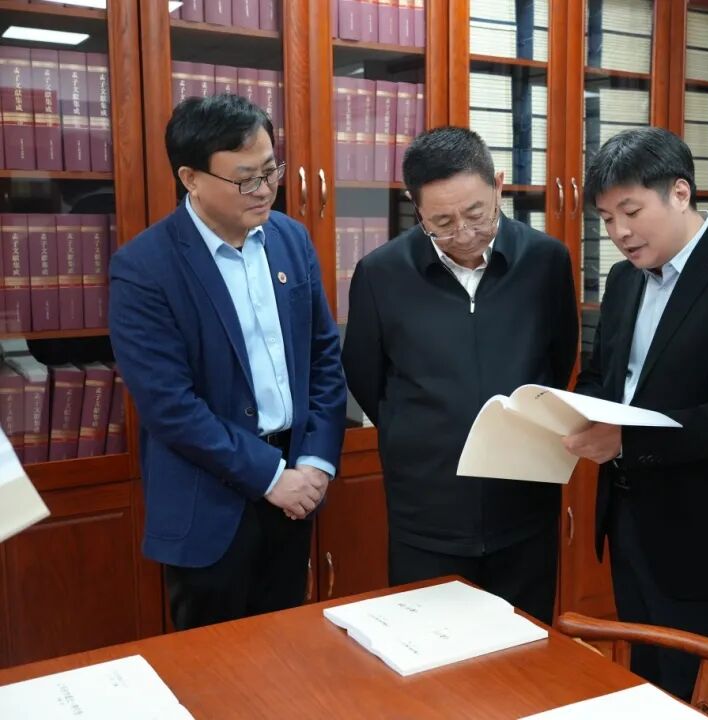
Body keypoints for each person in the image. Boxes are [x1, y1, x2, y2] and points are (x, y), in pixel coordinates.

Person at [564, 127, 708, 701]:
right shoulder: (623, 280)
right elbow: (605, 375)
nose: (619, 233)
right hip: (628, 516)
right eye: (606, 219)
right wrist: (572, 410)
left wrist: (626, 442)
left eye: (631, 212)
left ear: (680, 192)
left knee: (695, 688)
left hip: (701, 530)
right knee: (643, 681)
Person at [109, 94, 346, 630]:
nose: (264, 189)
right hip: (209, 502)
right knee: (212, 664)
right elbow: (170, 407)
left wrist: (315, 462)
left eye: (270, 171)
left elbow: (323, 357)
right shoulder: (144, 268)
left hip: (297, 489)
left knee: (288, 649)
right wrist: (270, 476)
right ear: (191, 178)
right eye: (245, 179)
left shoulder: (291, 239)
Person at [342, 127, 577, 623]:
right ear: (416, 209)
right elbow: (367, 379)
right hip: (426, 513)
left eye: (477, 214)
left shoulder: (546, 261)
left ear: (499, 185)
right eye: (443, 223)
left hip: (524, 507)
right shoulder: (381, 274)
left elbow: (558, 361)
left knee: (525, 648)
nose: (465, 234)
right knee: (431, 651)